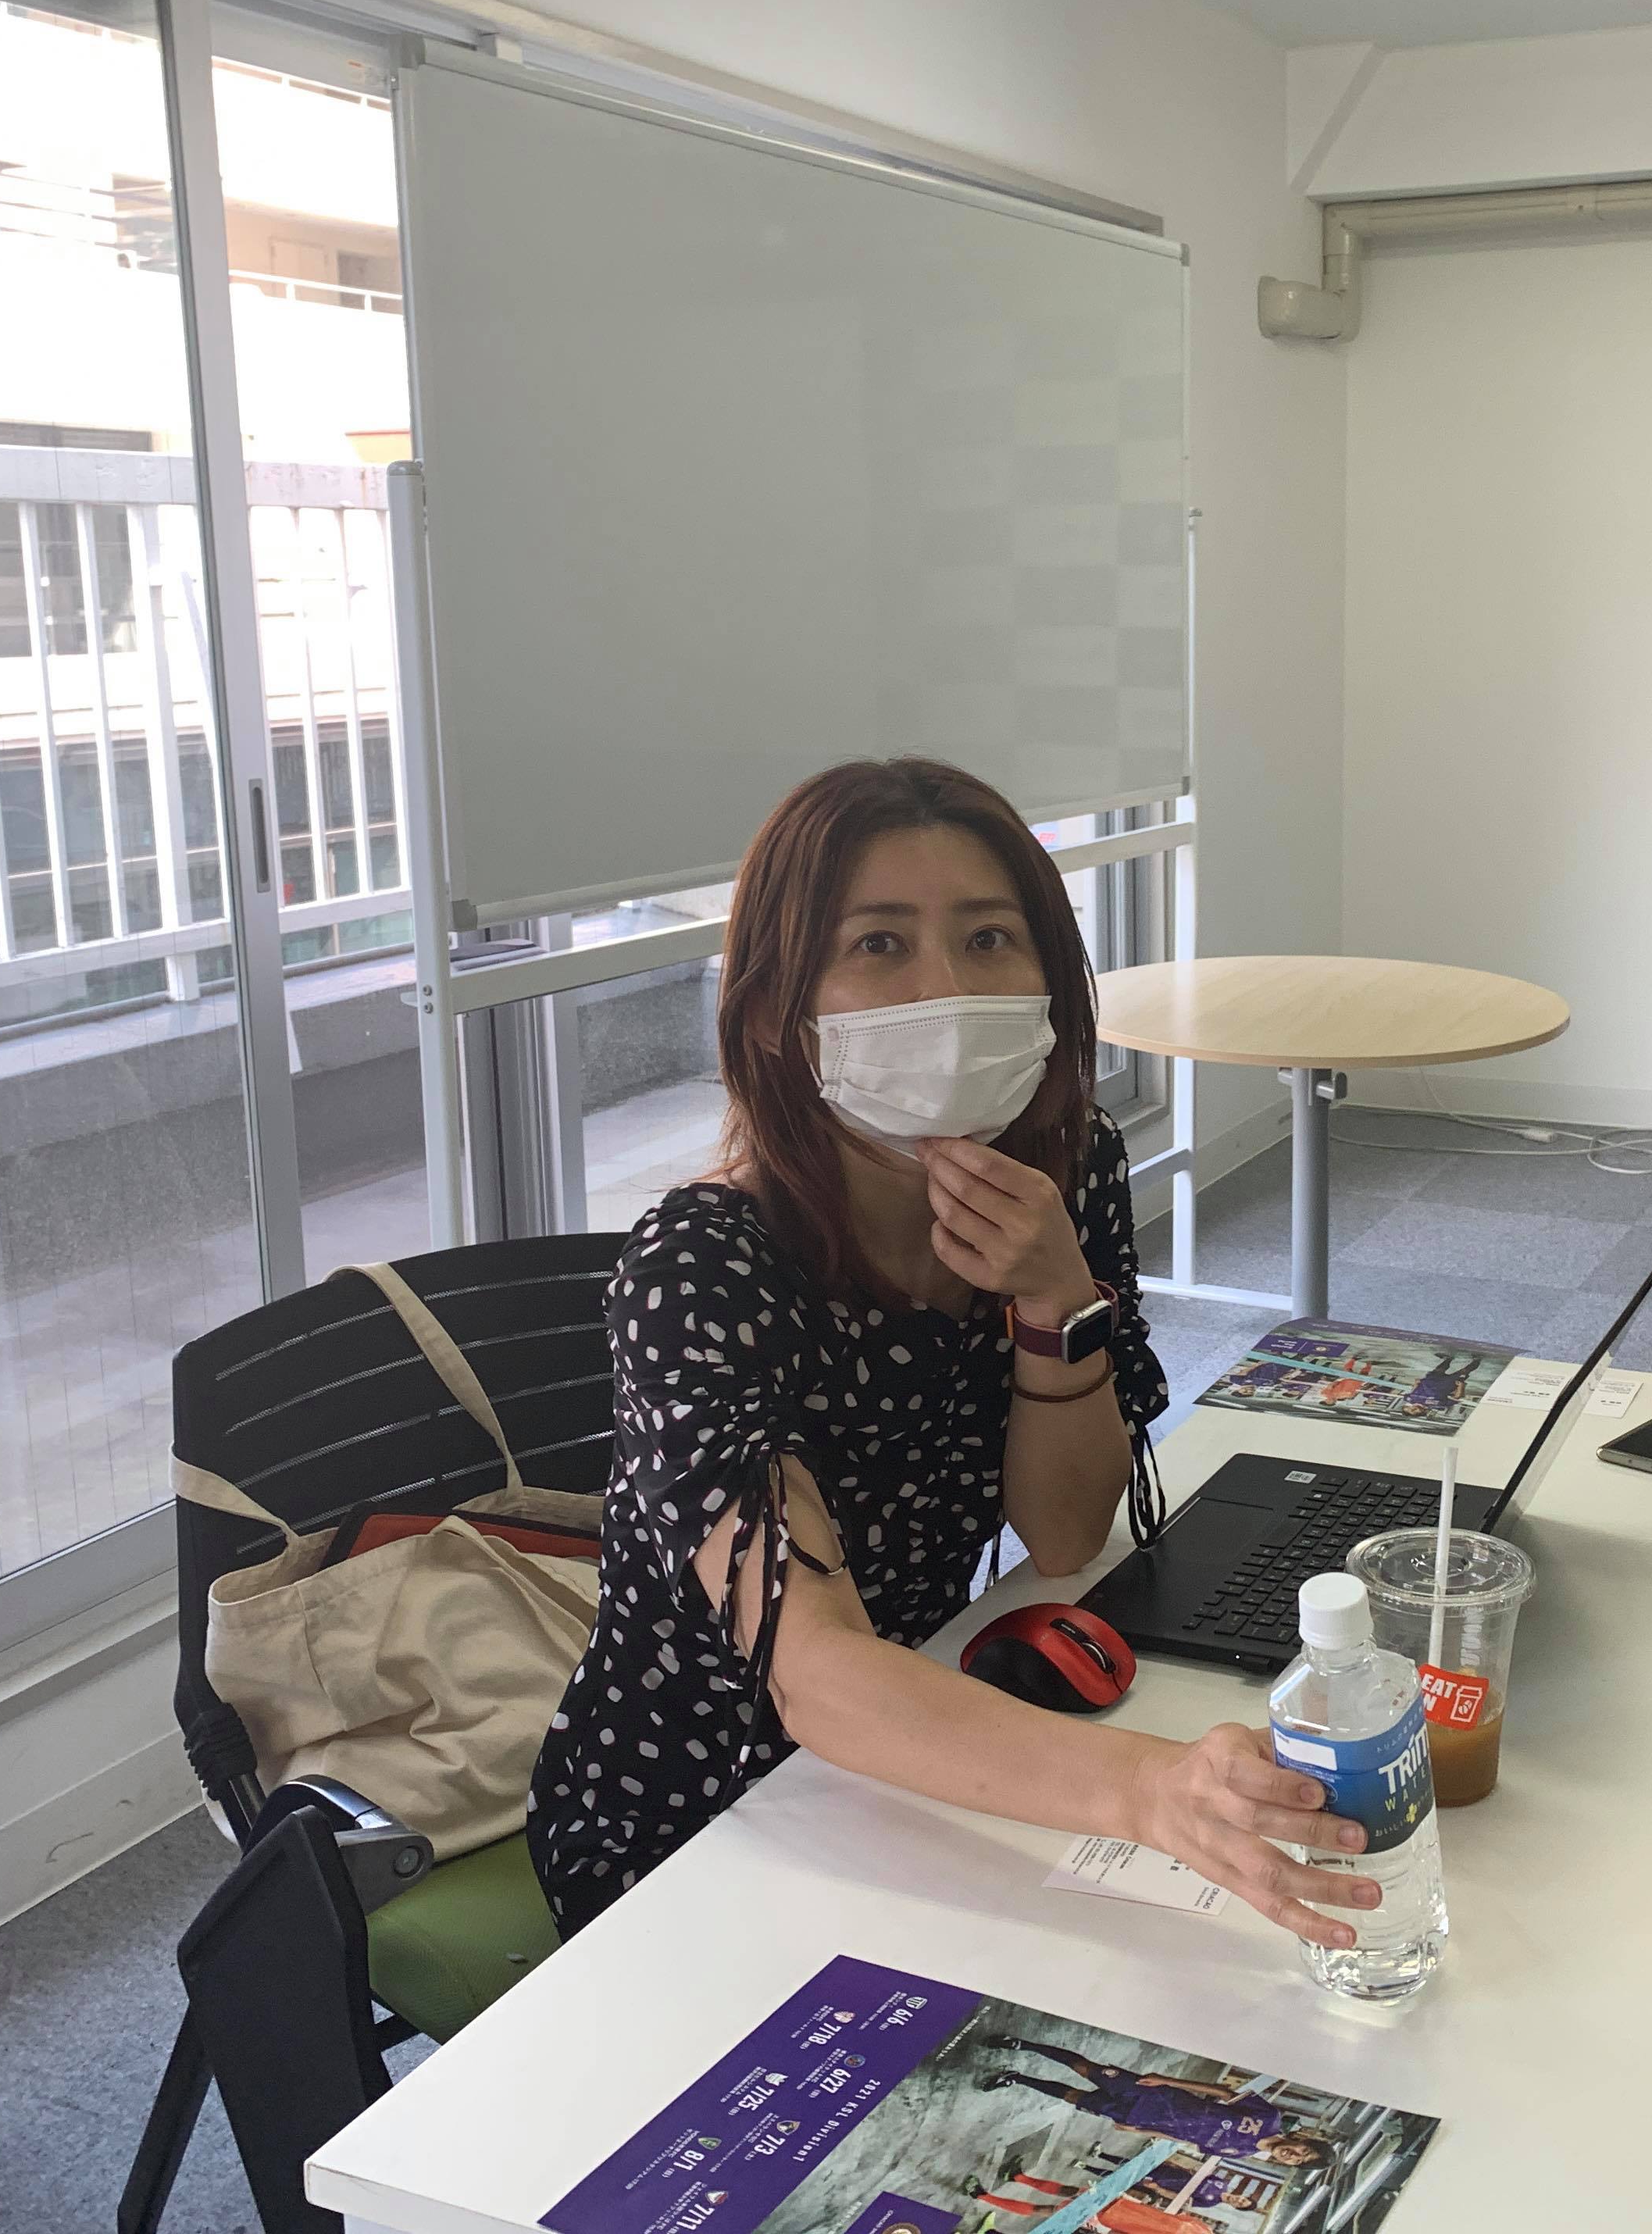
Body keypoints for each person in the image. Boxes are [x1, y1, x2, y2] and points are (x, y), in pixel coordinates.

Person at [529, 759, 1384, 1950]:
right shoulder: (706, 1268)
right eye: (879, 945)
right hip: (707, 1800)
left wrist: (1054, 1294)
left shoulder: (1067, 1169)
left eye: (990, 940)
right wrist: (1148, 1790)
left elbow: (1067, 1535)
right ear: (778, 1005)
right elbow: (813, 1668)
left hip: (938, 1729)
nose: (947, 989)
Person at [976, 2038, 1335, 2173]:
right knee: (1085, 2069)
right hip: (1157, 2096)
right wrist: (1168, 2081)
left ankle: (1016, 2078)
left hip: (1140, 2117)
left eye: (1299, 2162)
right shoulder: (1269, 2118)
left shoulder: (1240, 2154)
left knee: (1075, 2098)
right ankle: (1023, 2045)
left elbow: (1187, 2141)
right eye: (1304, 2151)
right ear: (1304, 2140)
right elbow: (1223, 2092)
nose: (1294, 2155)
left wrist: (1141, 2131)